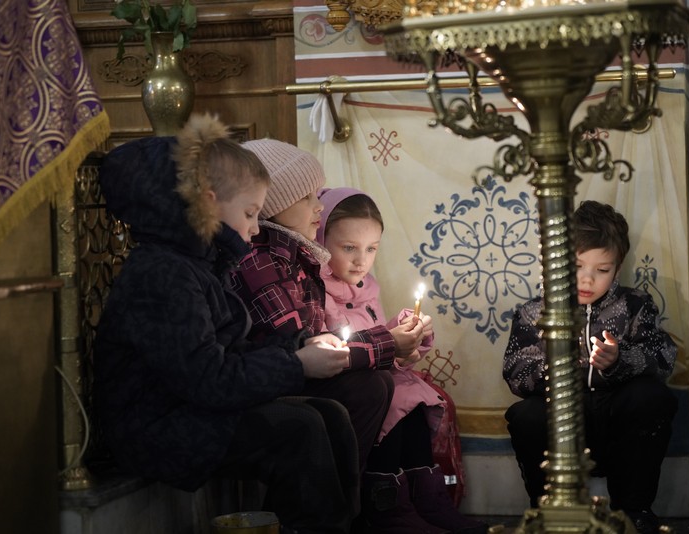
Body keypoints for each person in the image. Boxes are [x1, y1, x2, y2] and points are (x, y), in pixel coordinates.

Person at [92, 114, 359, 534]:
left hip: (186, 409)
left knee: (330, 414)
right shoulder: (162, 274)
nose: (254, 229)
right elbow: (207, 378)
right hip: (153, 427)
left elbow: (229, 351)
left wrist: (298, 348)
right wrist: (296, 365)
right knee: (299, 429)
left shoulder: (196, 263)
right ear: (210, 203)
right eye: (250, 213)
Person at [226, 140, 421, 524]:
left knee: (382, 386)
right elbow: (296, 346)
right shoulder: (260, 260)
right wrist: (387, 342)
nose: (319, 206)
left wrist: (396, 344)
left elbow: (314, 339)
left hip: (288, 371)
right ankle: (328, 516)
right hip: (268, 382)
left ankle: (344, 510)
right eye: (306, 198)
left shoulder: (292, 255)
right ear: (272, 203)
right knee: (367, 389)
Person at [317, 187, 489, 534]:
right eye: (348, 248)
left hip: (378, 379)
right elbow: (336, 351)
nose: (361, 260)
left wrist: (407, 341)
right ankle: (388, 505)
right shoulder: (315, 290)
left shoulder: (368, 289)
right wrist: (389, 344)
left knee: (413, 396)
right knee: (398, 396)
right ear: (321, 240)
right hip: (347, 387)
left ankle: (429, 501)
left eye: (371, 249)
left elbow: (384, 351)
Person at [502, 200, 678, 534]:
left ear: (617, 268)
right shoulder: (534, 312)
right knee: (526, 415)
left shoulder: (635, 305)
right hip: (563, 423)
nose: (587, 279)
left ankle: (634, 512)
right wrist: (556, 370)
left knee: (651, 398)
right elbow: (515, 371)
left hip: (618, 423)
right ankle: (548, 511)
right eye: (577, 266)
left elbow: (664, 359)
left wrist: (619, 359)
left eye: (602, 270)